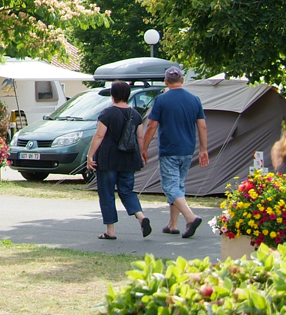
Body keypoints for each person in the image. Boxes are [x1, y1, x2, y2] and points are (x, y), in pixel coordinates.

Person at [141, 66, 209, 239]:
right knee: (178, 185)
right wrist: (203, 150)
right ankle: (173, 224)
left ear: (166, 81)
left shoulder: (161, 100)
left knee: (170, 186)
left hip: (169, 149)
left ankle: (190, 217)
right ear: (182, 80)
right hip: (187, 150)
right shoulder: (195, 100)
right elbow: (202, 125)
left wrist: (144, 147)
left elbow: (151, 126)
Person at [85, 81, 151, 240]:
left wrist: (90, 155)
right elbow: (139, 136)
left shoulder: (107, 113)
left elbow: (99, 135)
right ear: (128, 95)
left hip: (108, 159)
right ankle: (141, 217)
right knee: (127, 191)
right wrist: (142, 152)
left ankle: (110, 230)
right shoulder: (136, 115)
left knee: (107, 193)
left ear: (112, 96)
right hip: (129, 158)